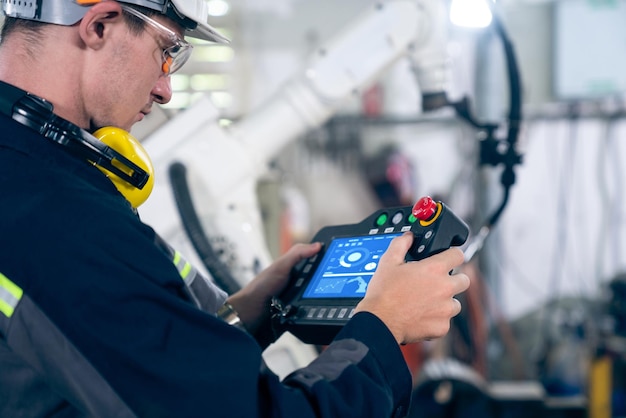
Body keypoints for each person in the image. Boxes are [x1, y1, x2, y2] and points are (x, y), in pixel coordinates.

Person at [0, 1, 470, 417]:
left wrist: (254, 312)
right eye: (167, 51)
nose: (165, 89)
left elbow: (138, 363)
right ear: (100, 24)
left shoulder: (31, 178)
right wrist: (383, 331)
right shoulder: (58, 218)